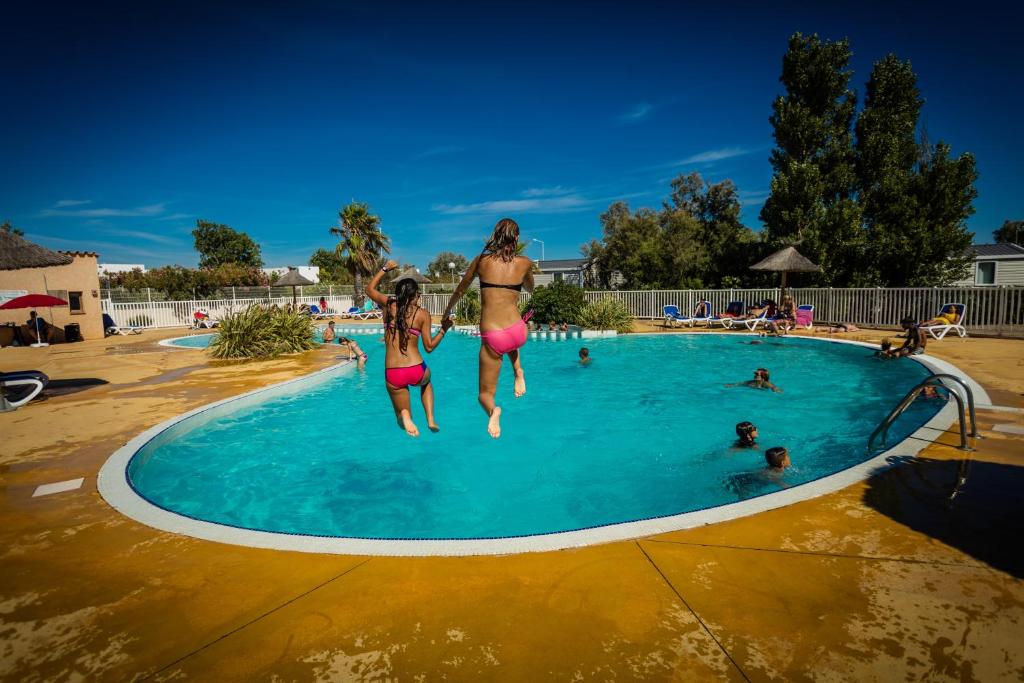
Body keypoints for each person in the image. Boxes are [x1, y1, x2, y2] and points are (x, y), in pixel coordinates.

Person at [442, 217, 535, 438]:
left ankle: (494, 411)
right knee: (510, 342)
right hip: (518, 331)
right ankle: (518, 371)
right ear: (517, 237)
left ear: (495, 235)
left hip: (494, 335)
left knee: (484, 394)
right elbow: (530, 288)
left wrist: (447, 312)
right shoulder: (525, 263)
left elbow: (460, 290)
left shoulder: (481, 261)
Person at [367, 260, 452, 436]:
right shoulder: (423, 314)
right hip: (416, 369)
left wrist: (385, 268)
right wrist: (444, 329)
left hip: (394, 372)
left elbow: (369, 289)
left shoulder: (389, 304)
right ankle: (430, 419)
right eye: (418, 294)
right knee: (426, 382)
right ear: (414, 295)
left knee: (401, 417)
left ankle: (405, 415)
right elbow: (429, 347)